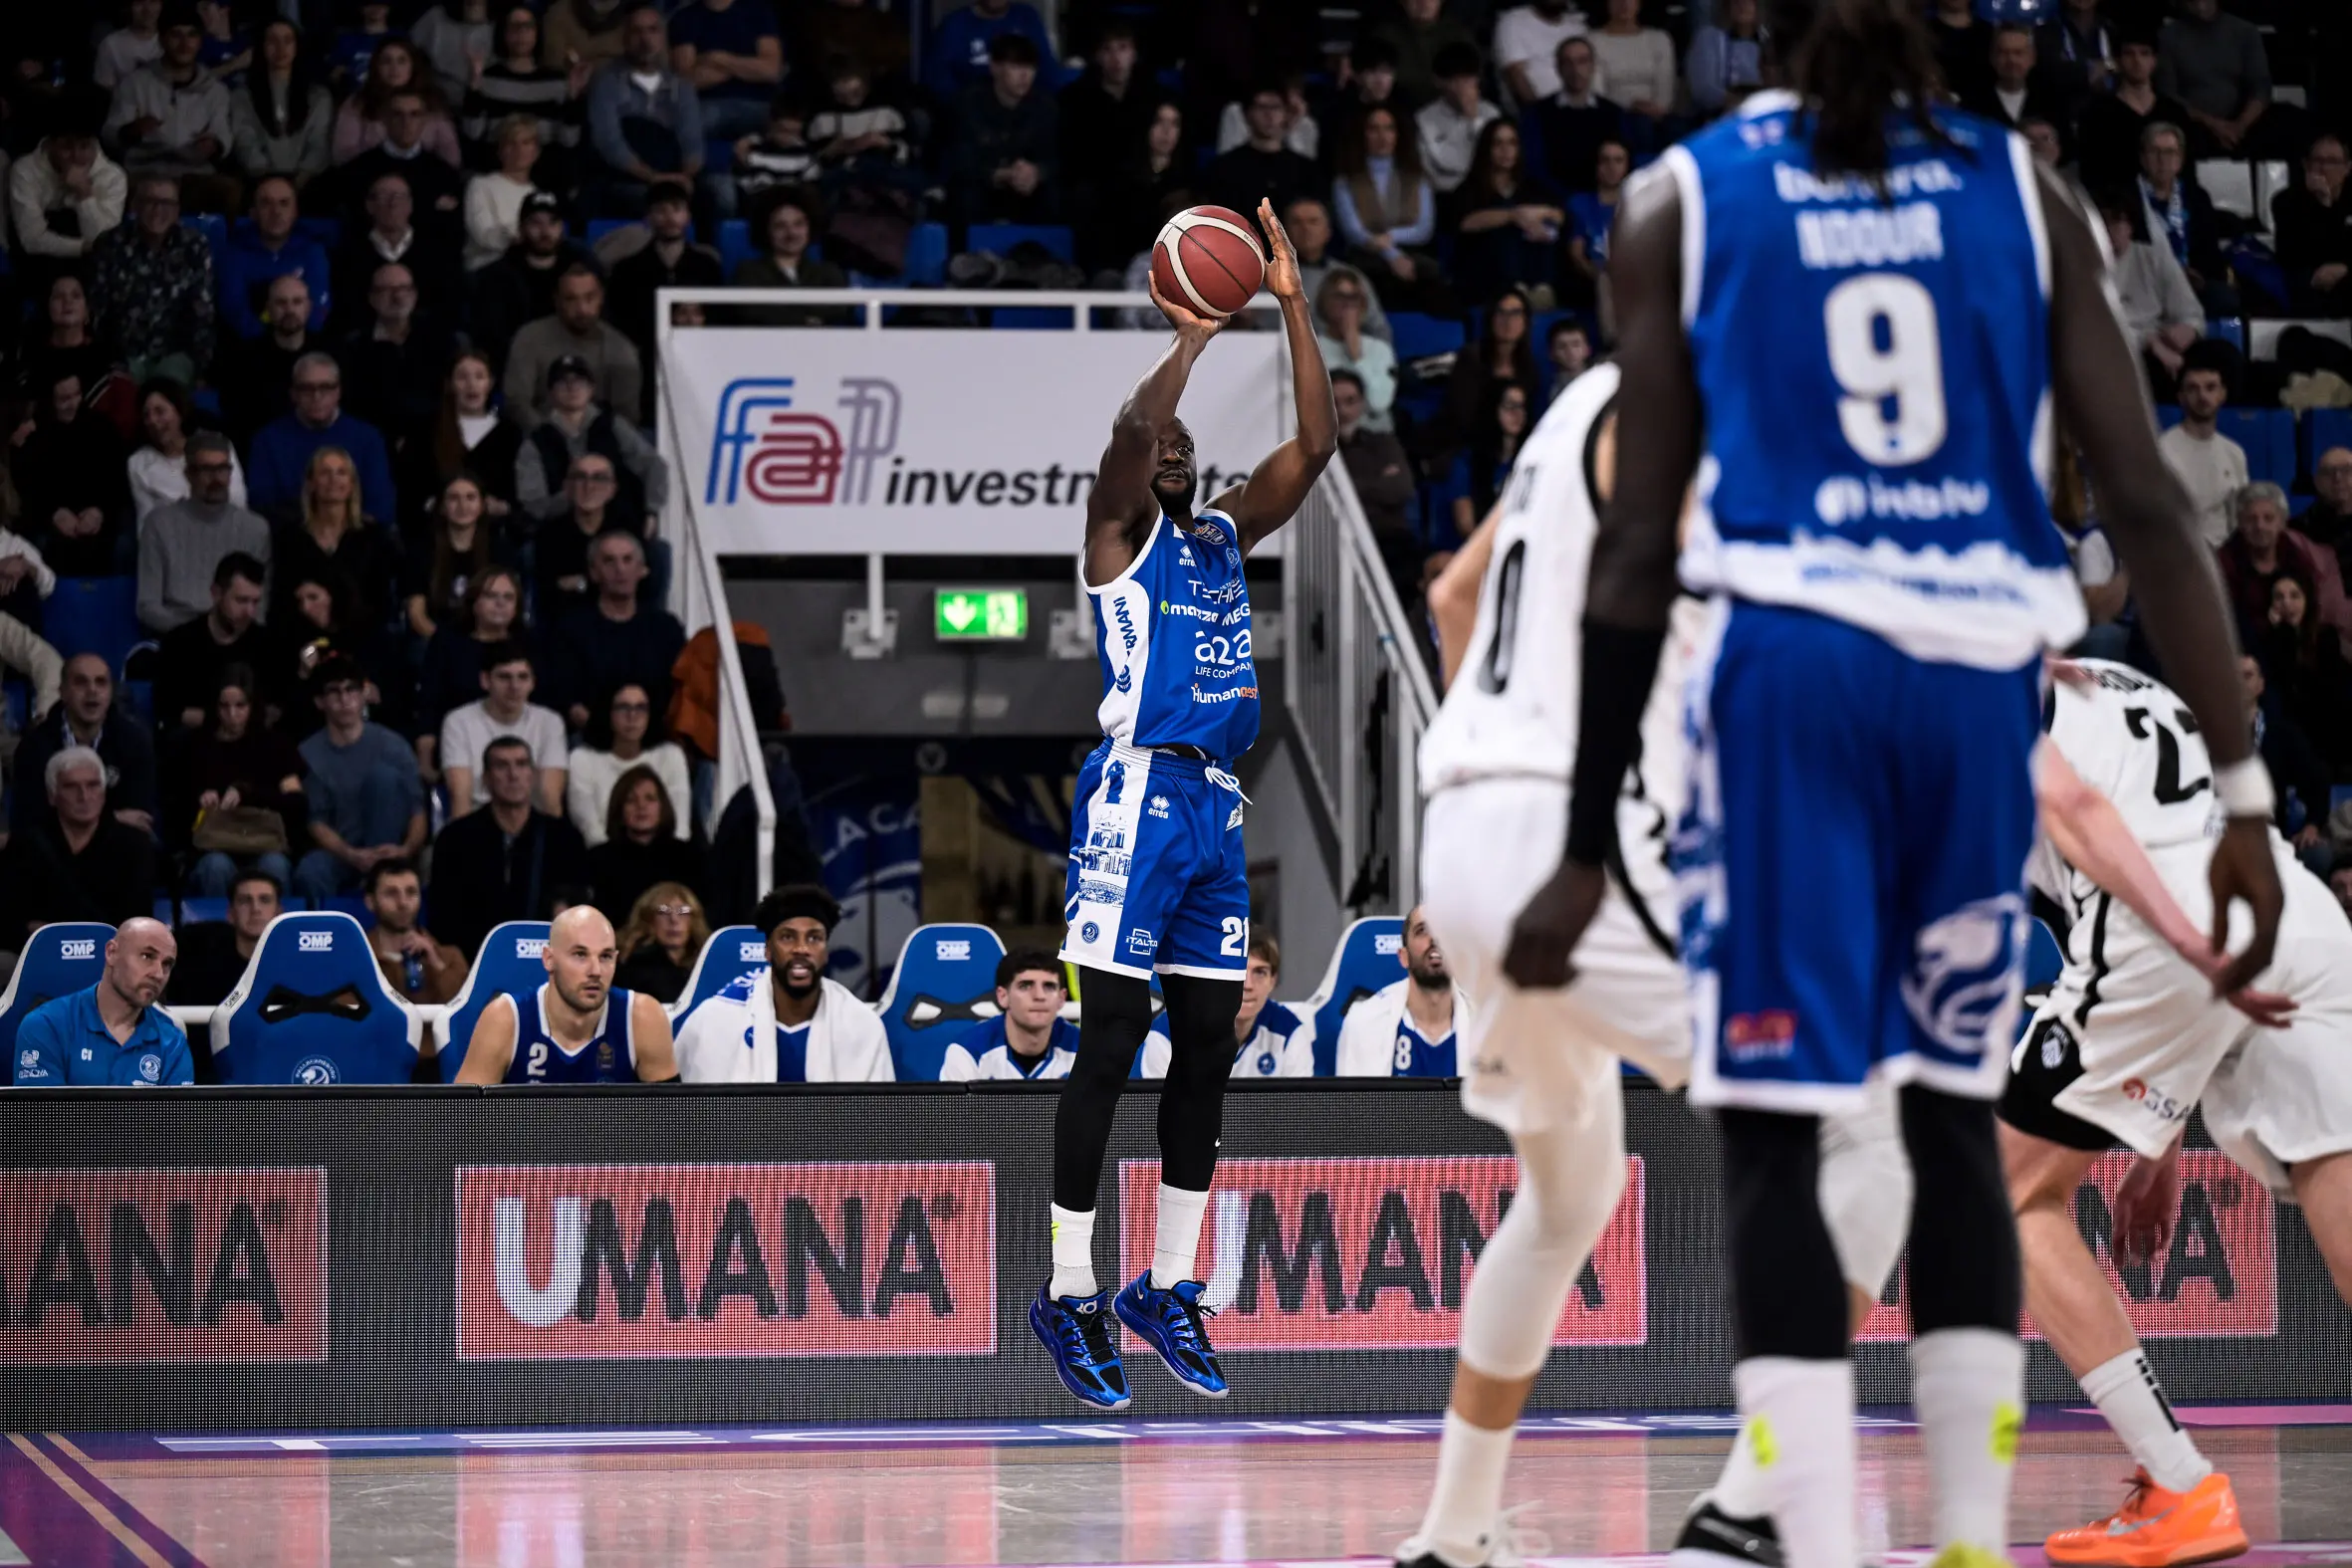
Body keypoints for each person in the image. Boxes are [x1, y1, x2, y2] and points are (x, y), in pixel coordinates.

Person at [1545, 4, 2281, 1565]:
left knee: (1774, 1119)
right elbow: (2145, 502)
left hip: (1791, 679)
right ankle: (1956, 1529)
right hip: (1968, 685)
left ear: (1762, 47)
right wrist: (2242, 796)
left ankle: (1787, 1516)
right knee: (1951, 1120)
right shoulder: (2025, 192)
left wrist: (1574, 835)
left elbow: (1630, 553)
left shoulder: (1680, 193)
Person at [1040, 198, 1334, 1412]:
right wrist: (1198, 331)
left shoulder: (1219, 538)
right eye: (1158, 451)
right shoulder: (1118, 540)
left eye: (1181, 450)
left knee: (1209, 1046)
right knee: (1109, 1041)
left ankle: (1166, 1286)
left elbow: (1313, 450)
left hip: (1215, 808)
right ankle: (1067, 1291)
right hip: (1134, 797)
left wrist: (1291, 304)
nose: (1171, 454)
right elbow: (1126, 429)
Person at [2000, 659, 2352, 1567]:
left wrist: (2181, 937)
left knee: (2001, 1194)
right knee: (2335, 1174)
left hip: (2167, 925)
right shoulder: (2118, 678)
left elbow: (2080, 815)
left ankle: (2180, 1483)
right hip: (2289, 909)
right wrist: (2154, 1147)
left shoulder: (1954, 667)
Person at [672, 883, 894, 1081]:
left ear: (826, 952)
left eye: (814, 938)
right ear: (767, 951)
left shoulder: (860, 1024)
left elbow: (876, 1118)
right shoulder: (715, 1019)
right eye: (788, 937)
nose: (801, 949)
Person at [453, 903, 679, 1082]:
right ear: (549, 960)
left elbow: (671, 1130)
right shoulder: (505, 1019)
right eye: (580, 955)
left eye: (606, 956)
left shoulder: (643, 1018)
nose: (595, 971)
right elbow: (463, 1123)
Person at [428, 736, 590, 959]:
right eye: (501, 766)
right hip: (475, 961)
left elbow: (578, 906)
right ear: (486, 778)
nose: (513, 775)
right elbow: (443, 916)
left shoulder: (564, 837)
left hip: (546, 962)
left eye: (521, 764)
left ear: (532, 776)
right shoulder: (455, 839)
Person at [295, 656, 427, 905]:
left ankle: (381, 881)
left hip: (391, 851)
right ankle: (322, 939)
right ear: (319, 702)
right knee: (310, 871)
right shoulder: (309, 753)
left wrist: (407, 850)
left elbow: (417, 811)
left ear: (364, 694)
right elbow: (316, 821)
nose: (345, 700)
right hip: (342, 852)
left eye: (351, 690)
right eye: (334, 693)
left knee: (383, 777)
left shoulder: (393, 745)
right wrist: (351, 855)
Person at [0, 749, 159, 943]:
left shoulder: (134, 844)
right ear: (52, 795)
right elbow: (7, 918)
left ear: (103, 793)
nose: (84, 796)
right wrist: (30, 932)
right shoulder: (25, 844)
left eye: (93, 785)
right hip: (38, 954)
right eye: (71, 787)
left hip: (109, 956)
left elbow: (138, 921)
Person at [10, 916, 187, 1086]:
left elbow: (174, 1117)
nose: (158, 974)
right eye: (147, 956)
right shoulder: (46, 1026)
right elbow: (45, 1115)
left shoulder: (172, 1040)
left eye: (167, 964)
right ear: (111, 952)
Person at [179, 666, 305, 897]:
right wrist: (200, 799)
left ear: (253, 705)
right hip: (214, 845)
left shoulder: (275, 745)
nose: (232, 714)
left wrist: (248, 795)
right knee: (215, 867)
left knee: (274, 866)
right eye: (224, 706)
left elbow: (296, 802)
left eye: (240, 706)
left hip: (265, 843)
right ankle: (215, 932)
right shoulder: (196, 746)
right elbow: (175, 805)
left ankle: (276, 932)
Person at [544, 528, 681, 726]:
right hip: (591, 736)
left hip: (653, 734)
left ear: (643, 569)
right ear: (593, 573)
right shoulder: (570, 628)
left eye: (627, 560)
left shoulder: (666, 628)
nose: (620, 569)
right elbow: (568, 697)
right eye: (609, 561)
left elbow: (675, 693)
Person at [89, 175, 217, 385]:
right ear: (135, 206)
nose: (158, 209)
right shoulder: (110, 244)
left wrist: (201, 368)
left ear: (177, 211)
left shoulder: (194, 246)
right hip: (122, 355)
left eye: (166, 203)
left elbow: (202, 314)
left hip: (174, 355)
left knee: (165, 402)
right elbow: (98, 309)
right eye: (149, 201)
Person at [105, 9, 237, 214]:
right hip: (144, 171)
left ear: (200, 41)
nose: (184, 44)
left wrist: (215, 144)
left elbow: (223, 133)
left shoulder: (216, 90)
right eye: (176, 35)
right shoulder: (135, 82)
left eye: (191, 35)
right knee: (114, 188)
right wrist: (132, 130)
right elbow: (110, 133)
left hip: (195, 174)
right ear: (162, 40)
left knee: (229, 191)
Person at [12, 654, 158, 838]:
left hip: (117, 848)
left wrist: (73, 820)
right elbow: (30, 822)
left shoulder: (135, 741)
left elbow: (139, 818)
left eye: (101, 682)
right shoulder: (34, 746)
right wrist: (113, 819)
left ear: (111, 691)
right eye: (81, 682)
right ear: (63, 692)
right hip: (54, 853)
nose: (92, 691)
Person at [139, 432, 270, 636]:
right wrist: (202, 631)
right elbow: (148, 606)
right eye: (207, 469)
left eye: (222, 469)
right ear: (189, 474)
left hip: (237, 637)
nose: (216, 478)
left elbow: (260, 607)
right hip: (180, 636)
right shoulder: (158, 524)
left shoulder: (255, 528)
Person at [605, 181, 722, 405]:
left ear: (687, 216)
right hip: (646, 363)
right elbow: (621, 321)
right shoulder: (627, 269)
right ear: (648, 218)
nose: (669, 217)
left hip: (698, 358)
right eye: (661, 210)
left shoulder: (707, 266)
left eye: (676, 209)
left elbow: (719, 316)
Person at [584, 6, 706, 220]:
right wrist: (654, 178)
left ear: (662, 37)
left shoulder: (681, 86)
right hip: (626, 178)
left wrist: (682, 177)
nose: (645, 38)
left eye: (652, 30)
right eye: (637, 31)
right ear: (625, 37)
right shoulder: (606, 81)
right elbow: (609, 142)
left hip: (675, 177)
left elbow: (692, 139)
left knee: (720, 194)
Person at [247, 354, 398, 527]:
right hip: (290, 539)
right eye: (306, 388)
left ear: (338, 392)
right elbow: (261, 505)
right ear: (293, 394)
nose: (316, 396)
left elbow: (381, 507)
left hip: (357, 539)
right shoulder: (267, 440)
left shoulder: (369, 438)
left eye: (325, 387)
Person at [1135, 934, 1310, 1079]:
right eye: (1239, 970)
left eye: (1260, 972)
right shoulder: (1167, 1033)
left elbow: (1299, 1115)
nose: (1248, 985)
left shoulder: (1290, 1032)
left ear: (1273, 980)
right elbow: (1162, 1117)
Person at [14, 370, 134, 577]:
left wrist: (99, 511)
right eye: (63, 399)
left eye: (76, 395)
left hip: (100, 520)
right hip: (50, 524)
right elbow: (27, 489)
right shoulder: (36, 436)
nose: (72, 404)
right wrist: (52, 514)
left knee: (123, 545)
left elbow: (118, 484)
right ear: (50, 401)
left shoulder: (103, 428)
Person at [270, 444, 399, 632]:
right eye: (324, 473)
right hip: (302, 640)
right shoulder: (290, 537)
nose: (333, 480)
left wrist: (333, 619)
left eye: (341, 472)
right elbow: (281, 602)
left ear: (351, 484)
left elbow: (381, 606)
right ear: (311, 483)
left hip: (360, 641)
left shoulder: (374, 537)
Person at [466, 191, 597, 371]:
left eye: (553, 223)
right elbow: (493, 338)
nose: (545, 231)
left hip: (576, 365)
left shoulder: (583, 267)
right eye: (536, 223)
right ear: (521, 228)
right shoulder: (496, 277)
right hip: (519, 366)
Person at [1332, 105, 1444, 315]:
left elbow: (1424, 228)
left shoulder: (1417, 177)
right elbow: (1354, 231)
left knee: (1428, 275)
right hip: (1366, 253)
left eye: (1389, 128)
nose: (1382, 136)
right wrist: (1390, 254)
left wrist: (1388, 238)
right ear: (1362, 134)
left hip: (1411, 251)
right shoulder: (1346, 180)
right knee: (1371, 276)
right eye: (1374, 129)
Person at [504, 265, 643, 429]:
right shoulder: (529, 338)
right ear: (556, 300)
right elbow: (516, 401)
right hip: (539, 438)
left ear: (601, 298)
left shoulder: (621, 349)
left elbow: (626, 416)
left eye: (589, 298)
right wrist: (548, 438)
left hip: (600, 443)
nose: (582, 309)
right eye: (571, 299)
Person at [1333, 905, 1469, 1075]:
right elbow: (1353, 1101)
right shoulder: (1363, 1023)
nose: (1435, 938)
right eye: (1422, 930)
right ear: (1404, 957)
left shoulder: (1487, 1024)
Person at [416, 566, 528, 772]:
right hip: (459, 743)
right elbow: (430, 703)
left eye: (508, 597)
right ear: (474, 603)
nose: (500, 603)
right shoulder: (447, 643)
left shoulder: (530, 646)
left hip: (520, 742)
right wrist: (425, 756)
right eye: (491, 596)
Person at [439, 641, 569, 818]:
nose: (515, 687)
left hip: (531, 824)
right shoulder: (458, 721)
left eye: (523, 677)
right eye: (504, 677)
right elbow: (460, 796)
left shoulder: (550, 721)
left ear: (533, 683)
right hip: (478, 822)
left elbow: (550, 796)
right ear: (485, 680)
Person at [156, 554, 281, 734]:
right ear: (216, 593)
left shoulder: (265, 643)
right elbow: (168, 710)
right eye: (241, 600)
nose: (250, 612)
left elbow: (273, 709)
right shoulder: (180, 643)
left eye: (255, 602)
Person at [461, 7, 582, 193]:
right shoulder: (487, 78)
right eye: (514, 27)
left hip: (544, 173)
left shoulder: (557, 80)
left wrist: (573, 95)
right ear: (503, 33)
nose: (521, 33)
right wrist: (475, 84)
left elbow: (569, 140)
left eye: (528, 27)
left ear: (537, 33)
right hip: (496, 170)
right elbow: (472, 133)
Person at [946, 32, 1058, 228]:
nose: (1024, 76)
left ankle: (1046, 255)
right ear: (995, 68)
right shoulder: (968, 103)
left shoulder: (1045, 107)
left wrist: (1037, 172)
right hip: (985, 185)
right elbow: (957, 161)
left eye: (1030, 68)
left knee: (1056, 196)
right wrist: (999, 174)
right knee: (965, 196)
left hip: (1026, 188)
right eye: (1016, 67)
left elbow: (1059, 157)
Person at [1448, 120, 1563, 309]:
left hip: (1531, 268)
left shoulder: (1531, 186)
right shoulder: (1470, 188)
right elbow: (1465, 222)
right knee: (1508, 231)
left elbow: (1559, 215)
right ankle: (1516, 290)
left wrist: (1536, 215)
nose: (1505, 150)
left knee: (1546, 231)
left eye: (1512, 143)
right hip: (1483, 271)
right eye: (1498, 144)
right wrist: (1513, 216)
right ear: (1487, 148)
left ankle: (1542, 289)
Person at [2157, 0, 2285, 161]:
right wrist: (2216, 125)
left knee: (2284, 124)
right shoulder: (2167, 37)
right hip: (2193, 124)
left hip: (2244, 124)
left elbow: (2261, 87)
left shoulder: (2246, 32)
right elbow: (2169, 94)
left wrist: (2240, 126)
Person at [567, 682, 690, 848]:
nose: (632, 716)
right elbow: (590, 829)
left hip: (664, 860)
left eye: (640, 708)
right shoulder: (582, 758)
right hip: (603, 860)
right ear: (608, 712)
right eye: (623, 707)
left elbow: (680, 828)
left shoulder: (670, 755)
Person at [2099, 198, 2203, 395]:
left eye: (2117, 221)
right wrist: (2148, 342)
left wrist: (2189, 328)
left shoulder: (2154, 257)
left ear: (2130, 226)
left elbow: (2191, 312)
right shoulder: (2082, 264)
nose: (2110, 229)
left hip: (2160, 339)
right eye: (2104, 221)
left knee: (2221, 356)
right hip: (2115, 348)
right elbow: (2096, 328)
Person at [2076, 30, 2190, 196]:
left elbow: (2187, 168)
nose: (2137, 61)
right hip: (2117, 205)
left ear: (2154, 61)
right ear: (2118, 60)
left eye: (2144, 54)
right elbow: (2091, 171)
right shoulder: (2097, 113)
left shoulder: (2174, 112)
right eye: (2129, 54)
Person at [939, 948, 1080, 1081]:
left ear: (1061, 998)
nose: (1039, 996)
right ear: (1003, 996)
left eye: (1049, 986)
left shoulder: (1085, 1050)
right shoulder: (967, 1051)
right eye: (1025, 986)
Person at [8, 124, 129, 280]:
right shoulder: (25, 170)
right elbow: (31, 239)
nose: (76, 156)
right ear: (50, 145)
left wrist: (84, 194)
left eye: (84, 146)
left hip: (91, 265)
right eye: (66, 147)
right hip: (40, 263)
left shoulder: (113, 177)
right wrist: (80, 247)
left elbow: (104, 244)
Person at [1334, 369, 1420, 590]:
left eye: (1350, 401)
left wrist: (1352, 487)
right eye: (1334, 402)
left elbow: (1402, 488)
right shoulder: (1317, 452)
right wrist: (1378, 482)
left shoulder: (1384, 442)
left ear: (1362, 404)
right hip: (1337, 539)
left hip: (1388, 540)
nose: (1342, 410)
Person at [2257, 575, 2352, 770]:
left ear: (2307, 600)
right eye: (2279, 597)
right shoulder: (2269, 642)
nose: (2287, 604)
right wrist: (2283, 633)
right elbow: (2284, 688)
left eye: (2295, 596)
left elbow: (2320, 693)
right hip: (2292, 738)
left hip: (2331, 734)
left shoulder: (2326, 637)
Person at [586, 764, 701, 921]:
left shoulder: (689, 857)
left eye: (650, 798)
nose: (641, 806)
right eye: (631, 800)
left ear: (662, 806)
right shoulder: (598, 860)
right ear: (620, 809)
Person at [2156, 356, 2248, 550]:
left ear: (2222, 394)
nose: (2202, 396)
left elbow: (2240, 517)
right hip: (2181, 554)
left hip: (2227, 558)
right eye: (2193, 388)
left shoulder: (2234, 453)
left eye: (2210, 387)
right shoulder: (2163, 449)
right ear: (2181, 396)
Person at [232, 20, 333, 190]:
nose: (280, 48)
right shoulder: (242, 96)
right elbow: (246, 143)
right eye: (273, 40)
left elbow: (319, 144)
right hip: (258, 180)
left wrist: (299, 180)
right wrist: (270, 182)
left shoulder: (319, 96)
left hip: (306, 181)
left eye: (287, 40)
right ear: (262, 46)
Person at [130, 383, 250, 526]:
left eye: (160, 412)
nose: (153, 421)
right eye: (146, 415)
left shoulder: (215, 445)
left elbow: (237, 503)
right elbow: (146, 523)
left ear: (179, 411)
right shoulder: (138, 463)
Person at [725, 189, 851, 324]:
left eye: (798, 224)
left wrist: (784, 311)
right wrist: (804, 320)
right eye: (780, 226)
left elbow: (840, 309)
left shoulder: (828, 272)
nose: (791, 233)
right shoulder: (748, 272)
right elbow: (752, 311)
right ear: (766, 231)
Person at [666, 0, 781, 147]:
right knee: (681, 132)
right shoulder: (684, 17)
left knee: (783, 131)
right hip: (707, 105)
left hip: (758, 104)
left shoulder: (758, 12)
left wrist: (716, 58)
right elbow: (686, 81)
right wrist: (746, 68)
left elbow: (771, 71)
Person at [218, 274, 318, 442]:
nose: (289, 310)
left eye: (297, 302)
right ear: (268, 309)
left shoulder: (331, 352)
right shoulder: (244, 359)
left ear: (308, 308)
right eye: (281, 303)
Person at [333, 41, 463, 169]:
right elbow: (344, 154)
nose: (394, 68)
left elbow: (450, 154)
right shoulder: (357, 102)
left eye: (401, 61)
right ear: (376, 67)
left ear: (412, 66)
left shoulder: (432, 102)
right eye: (386, 61)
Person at [1204, 83, 1322, 221]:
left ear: (1285, 113)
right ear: (1247, 114)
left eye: (1275, 108)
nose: (1269, 115)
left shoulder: (1306, 169)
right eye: (1261, 107)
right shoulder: (1223, 168)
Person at [164, 868, 276, 1015]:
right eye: (245, 901)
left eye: (265, 900)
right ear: (230, 913)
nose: (255, 909)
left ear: (279, 912)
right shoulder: (198, 961)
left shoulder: (294, 965)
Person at [1522, 36, 1623, 197]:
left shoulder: (1614, 113)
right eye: (1568, 62)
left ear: (1593, 66)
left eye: (1582, 61)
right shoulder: (1537, 114)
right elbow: (1535, 168)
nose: (1575, 69)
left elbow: (1623, 165)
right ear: (1558, 68)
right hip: (1553, 201)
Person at [2218, 482, 2320, 638]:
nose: (2260, 526)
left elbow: (2312, 611)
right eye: (2251, 519)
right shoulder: (2223, 563)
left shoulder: (2297, 558)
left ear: (2282, 523)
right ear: (2239, 523)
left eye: (2269, 518)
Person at [401, 473, 495, 642]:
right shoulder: (421, 550)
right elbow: (417, 614)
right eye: (454, 498)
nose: (462, 506)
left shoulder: (498, 549)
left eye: (470, 498)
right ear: (442, 507)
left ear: (482, 505)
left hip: (483, 639)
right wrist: (447, 647)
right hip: (435, 639)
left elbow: (502, 612)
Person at [362, 857, 467, 1008]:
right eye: (391, 893)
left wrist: (437, 965)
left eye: (411, 892)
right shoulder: (356, 959)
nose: (403, 903)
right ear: (370, 902)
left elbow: (469, 1013)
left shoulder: (450, 957)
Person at [2271, 134, 2352, 318]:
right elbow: (2292, 254)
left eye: (2332, 161)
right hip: (2307, 278)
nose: (2323, 168)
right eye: (2317, 160)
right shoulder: (2285, 201)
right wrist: (2322, 205)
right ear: (2305, 165)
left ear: (2347, 168)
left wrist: (2345, 268)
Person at [1313, 268, 1398, 434]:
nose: (1347, 305)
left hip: (1374, 436)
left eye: (1353, 298)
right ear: (1325, 301)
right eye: (1339, 297)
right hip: (1324, 435)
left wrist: (1356, 356)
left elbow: (1378, 403)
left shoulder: (1380, 349)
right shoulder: (1310, 347)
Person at [921, 0, 1053, 104]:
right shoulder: (954, 25)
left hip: (1023, 110)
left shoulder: (1027, 18)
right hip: (970, 113)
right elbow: (937, 79)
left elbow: (1048, 70)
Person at [1587, 0, 1676, 147]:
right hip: (1615, 115)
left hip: (1657, 115)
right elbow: (1597, 92)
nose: (1624, 3)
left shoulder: (1659, 39)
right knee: (1640, 126)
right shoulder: (1594, 40)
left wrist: (1655, 109)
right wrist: (1630, 106)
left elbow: (1666, 86)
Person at [1417, 44, 1502, 198]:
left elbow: (1498, 160)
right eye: (1456, 80)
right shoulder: (1424, 118)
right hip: (1445, 196)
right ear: (1438, 81)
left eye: (1469, 79)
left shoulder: (1491, 113)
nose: (1464, 87)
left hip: (1488, 192)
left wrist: (1474, 119)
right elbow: (1428, 173)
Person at [613, 881, 708, 1003]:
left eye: (683, 911)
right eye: (663, 911)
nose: (674, 920)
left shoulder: (707, 965)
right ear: (648, 918)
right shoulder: (630, 966)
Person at [1493, 0, 1588, 109]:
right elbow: (1516, 77)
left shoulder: (1577, 27)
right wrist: (1541, 118)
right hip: (1538, 115)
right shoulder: (1513, 22)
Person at [1686, 0, 1766, 118]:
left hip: (1763, 111)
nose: (1743, 5)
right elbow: (1703, 90)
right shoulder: (1709, 37)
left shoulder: (1768, 40)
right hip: (1719, 114)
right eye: (1736, 2)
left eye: (1749, 1)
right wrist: (1736, 102)